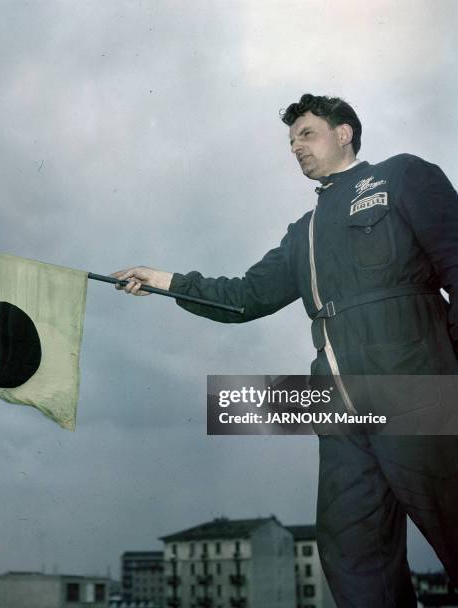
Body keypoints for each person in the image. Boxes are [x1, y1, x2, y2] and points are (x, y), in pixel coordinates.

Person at [111, 94, 458, 607]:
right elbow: (243, 297)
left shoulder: (402, 176)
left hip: (418, 389)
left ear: (344, 133)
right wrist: (163, 281)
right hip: (339, 411)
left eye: (307, 134)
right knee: (352, 554)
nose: (296, 147)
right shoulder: (304, 233)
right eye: (291, 140)